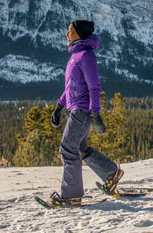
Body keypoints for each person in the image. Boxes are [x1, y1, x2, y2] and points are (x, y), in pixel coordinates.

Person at [48, 20, 124, 206]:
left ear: (80, 34)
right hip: (75, 108)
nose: (67, 34)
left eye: (70, 31)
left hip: (82, 110)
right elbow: (70, 88)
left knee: (68, 148)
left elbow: (94, 87)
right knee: (79, 148)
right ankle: (110, 172)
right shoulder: (75, 55)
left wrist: (96, 113)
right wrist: (59, 107)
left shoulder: (86, 56)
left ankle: (71, 195)